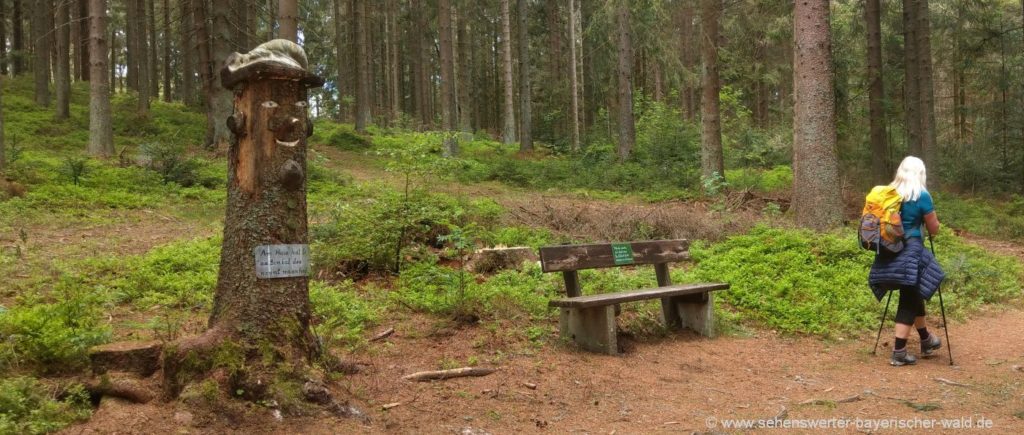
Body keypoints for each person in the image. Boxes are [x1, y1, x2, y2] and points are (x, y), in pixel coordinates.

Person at [868, 156, 945, 366]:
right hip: (911, 248)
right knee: (910, 296)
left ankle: (926, 339)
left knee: (914, 288)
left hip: (888, 248)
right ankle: (899, 351)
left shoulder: (889, 192)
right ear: (921, 173)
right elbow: (934, 229)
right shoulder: (922, 195)